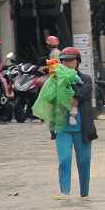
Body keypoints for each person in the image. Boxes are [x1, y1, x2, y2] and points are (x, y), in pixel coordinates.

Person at [34, 47, 98, 197]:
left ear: (78, 62)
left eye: (71, 60)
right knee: (64, 160)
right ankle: (65, 195)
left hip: (83, 129)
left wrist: (66, 81)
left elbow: (82, 94)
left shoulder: (86, 79)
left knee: (83, 163)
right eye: (65, 61)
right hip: (62, 127)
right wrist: (59, 80)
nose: (68, 63)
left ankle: (85, 196)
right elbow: (49, 98)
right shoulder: (53, 80)